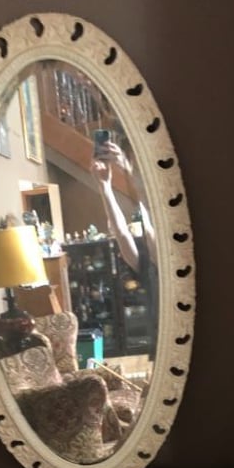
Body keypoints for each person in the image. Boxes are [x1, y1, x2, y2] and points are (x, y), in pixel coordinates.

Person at [91, 141, 159, 357]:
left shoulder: (173, 261)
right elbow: (120, 232)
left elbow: (150, 224)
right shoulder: (146, 266)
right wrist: (105, 187)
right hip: (163, 346)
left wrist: (128, 171)